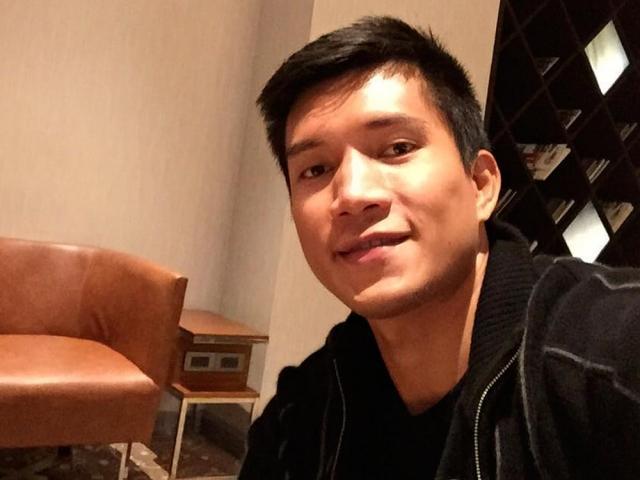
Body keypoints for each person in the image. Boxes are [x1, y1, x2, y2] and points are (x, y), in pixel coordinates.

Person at [239, 16, 640, 480]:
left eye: (396, 148)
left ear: (481, 185)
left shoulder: (605, 358)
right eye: (315, 169)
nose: (352, 194)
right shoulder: (301, 420)